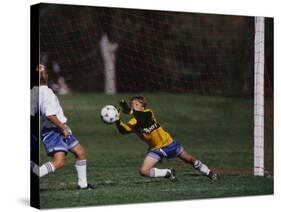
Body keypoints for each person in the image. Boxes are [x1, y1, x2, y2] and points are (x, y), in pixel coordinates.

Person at [115, 96, 217, 181]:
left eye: (136, 104)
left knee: (190, 160)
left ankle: (208, 172)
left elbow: (143, 118)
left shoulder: (148, 113)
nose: (133, 106)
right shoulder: (133, 122)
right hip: (156, 150)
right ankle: (167, 173)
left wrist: (130, 111)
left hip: (169, 144)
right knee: (143, 171)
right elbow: (124, 130)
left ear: (143, 107)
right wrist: (117, 120)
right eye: (132, 104)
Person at [30, 64, 95, 190]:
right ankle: (33, 169)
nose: (43, 74)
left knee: (80, 153)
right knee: (59, 163)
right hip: (54, 131)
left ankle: (83, 185)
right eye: (41, 72)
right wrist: (63, 128)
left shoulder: (34, 92)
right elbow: (50, 115)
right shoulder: (46, 94)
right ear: (47, 76)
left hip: (58, 128)